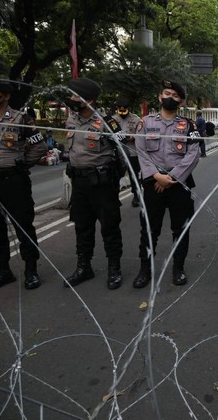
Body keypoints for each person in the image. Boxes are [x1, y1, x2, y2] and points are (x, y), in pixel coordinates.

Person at [132, 80, 201, 288]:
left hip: (178, 185)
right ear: (160, 97)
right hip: (153, 184)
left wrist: (172, 178)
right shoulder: (145, 123)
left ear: (180, 101)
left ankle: (178, 269)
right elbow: (140, 150)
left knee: (180, 229)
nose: (170, 96)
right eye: (167, 93)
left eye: (175, 95)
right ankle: (145, 270)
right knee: (149, 229)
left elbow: (194, 153)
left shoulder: (189, 125)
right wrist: (155, 175)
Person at [0, 78, 47, 291]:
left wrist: (20, 166)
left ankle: (31, 270)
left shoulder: (21, 119)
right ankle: (3, 271)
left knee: (23, 226)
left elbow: (39, 147)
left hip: (13, 182)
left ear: (6, 95)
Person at [64, 77, 126, 290]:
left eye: (75, 96)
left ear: (88, 99)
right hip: (79, 183)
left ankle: (114, 268)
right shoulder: (72, 120)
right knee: (82, 226)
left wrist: (115, 177)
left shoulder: (108, 123)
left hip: (102, 185)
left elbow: (124, 153)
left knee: (109, 226)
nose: (71, 99)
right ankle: (84, 267)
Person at [112, 98, 142, 207]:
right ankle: (114, 197)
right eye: (120, 111)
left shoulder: (136, 119)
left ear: (129, 109)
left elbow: (141, 135)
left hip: (132, 152)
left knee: (134, 176)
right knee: (115, 176)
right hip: (118, 153)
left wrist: (131, 137)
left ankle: (136, 196)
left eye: (125, 111)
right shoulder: (112, 120)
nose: (122, 114)